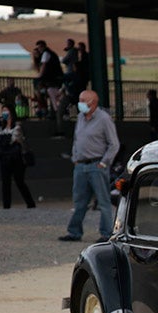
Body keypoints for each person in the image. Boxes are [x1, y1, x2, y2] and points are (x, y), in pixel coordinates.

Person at [59, 90, 120, 242]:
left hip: (96, 165)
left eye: (82, 100)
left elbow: (114, 144)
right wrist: (75, 157)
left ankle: (106, 234)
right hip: (80, 165)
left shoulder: (104, 119)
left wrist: (103, 162)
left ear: (93, 103)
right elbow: (76, 139)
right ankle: (74, 232)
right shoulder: (80, 117)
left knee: (103, 201)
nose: (79, 103)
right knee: (79, 201)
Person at [0, 105, 36, 209]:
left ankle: (30, 203)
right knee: (5, 183)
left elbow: (14, 140)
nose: (4, 113)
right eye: (3, 111)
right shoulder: (2, 127)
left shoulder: (17, 127)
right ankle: (6, 206)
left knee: (19, 181)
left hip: (17, 160)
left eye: (6, 111)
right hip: (5, 159)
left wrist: (5, 143)